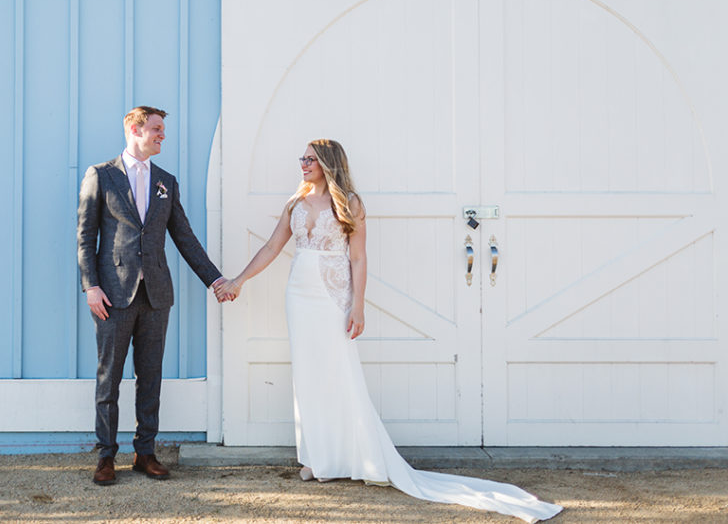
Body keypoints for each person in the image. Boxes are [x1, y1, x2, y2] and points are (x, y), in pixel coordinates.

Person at [215, 139, 562, 523]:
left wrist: (358, 305)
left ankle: (354, 455)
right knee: (307, 376)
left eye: (310, 159)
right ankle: (317, 459)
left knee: (339, 373)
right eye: (302, 158)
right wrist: (239, 280)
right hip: (299, 295)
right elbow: (270, 247)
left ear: (328, 162)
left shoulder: (351, 203)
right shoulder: (293, 204)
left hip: (333, 296)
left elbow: (359, 257)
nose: (303, 164)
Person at [77, 106, 227, 486]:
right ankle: (106, 456)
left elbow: (185, 238)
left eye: (162, 130)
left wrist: (215, 280)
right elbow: (85, 236)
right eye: (157, 129)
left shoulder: (166, 182)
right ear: (134, 128)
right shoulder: (101, 176)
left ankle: (145, 452)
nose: (162, 135)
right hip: (112, 296)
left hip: (156, 295)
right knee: (108, 378)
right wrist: (90, 286)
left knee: (151, 377)